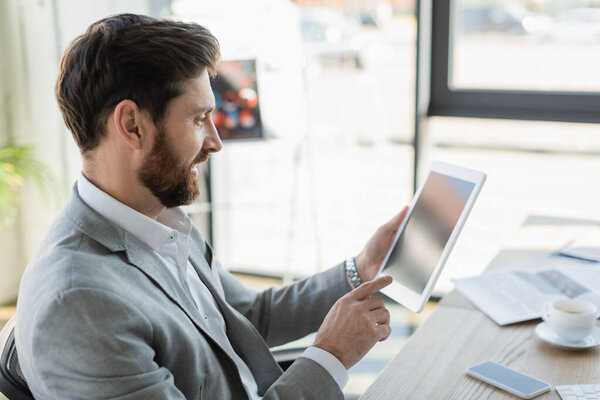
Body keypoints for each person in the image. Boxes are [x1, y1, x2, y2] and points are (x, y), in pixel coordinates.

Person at [15, 14, 408, 400]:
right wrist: (330, 358)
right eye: (200, 118)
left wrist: (361, 269)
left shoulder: (159, 218)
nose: (215, 142)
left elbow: (248, 317)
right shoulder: (80, 305)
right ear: (132, 125)